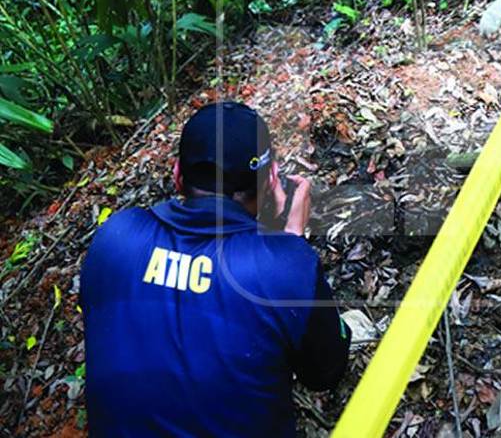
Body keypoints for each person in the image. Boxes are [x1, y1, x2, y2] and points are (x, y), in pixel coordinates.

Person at [80, 101, 351, 437]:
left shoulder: (113, 239)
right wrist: (291, 244)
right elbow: (326, 372)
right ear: (271, 180)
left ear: (178, 175)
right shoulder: (285, 268)